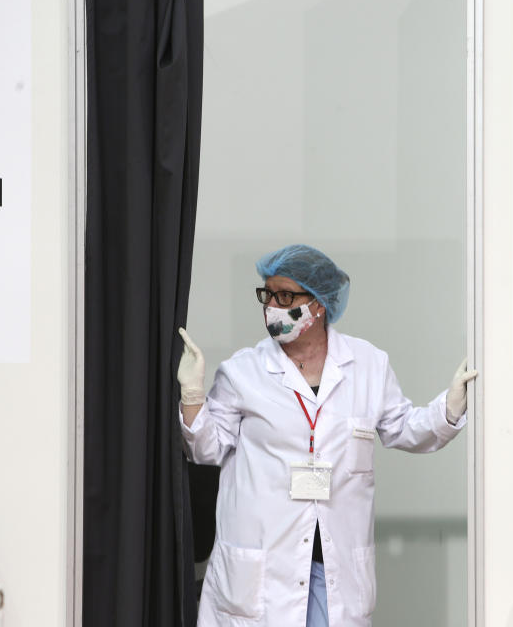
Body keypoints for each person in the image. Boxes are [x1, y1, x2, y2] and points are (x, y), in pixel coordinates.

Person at [177, 244, 477, 627]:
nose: (272, 306)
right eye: (266, 295)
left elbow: (404, 429)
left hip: (333, 570)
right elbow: (205, 449)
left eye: (285, 296)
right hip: (264, 572)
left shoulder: (368, 365)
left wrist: (450, 407)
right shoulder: (243, 372)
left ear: (318, 304)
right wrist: (192, 395)